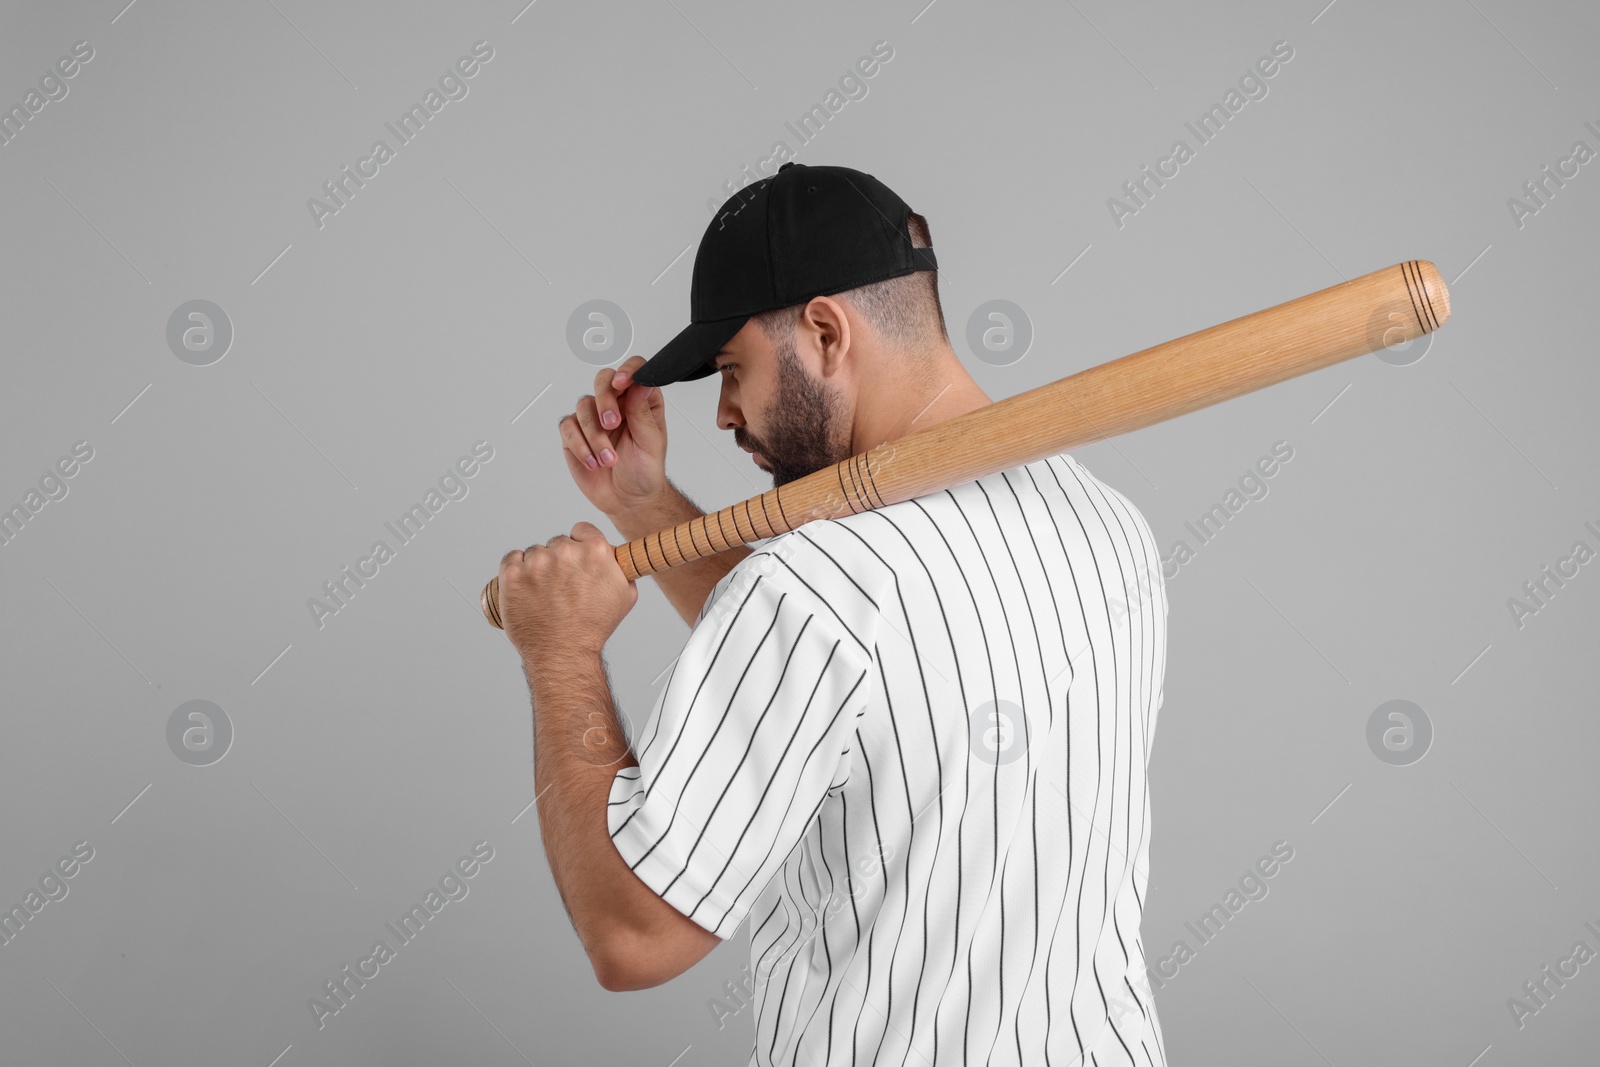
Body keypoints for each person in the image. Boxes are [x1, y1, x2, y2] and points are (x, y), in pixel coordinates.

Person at [495, 162, 1170, 1066]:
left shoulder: (813, 583)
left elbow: (633, 936)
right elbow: (849, 682)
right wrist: (646, 506)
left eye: (733, 368)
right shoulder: (1108, 525)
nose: (726, 412)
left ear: (823, 331)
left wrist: (560, 648)